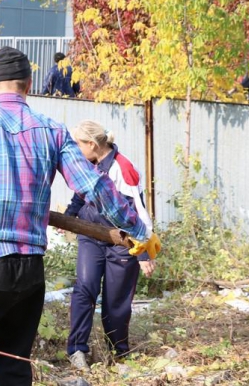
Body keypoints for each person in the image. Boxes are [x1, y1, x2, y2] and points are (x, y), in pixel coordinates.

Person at [0, 47, 158, 386]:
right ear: (29, 84)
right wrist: (138, 230)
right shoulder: (53, 130)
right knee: (13, 367)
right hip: (28, 269)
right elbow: (95, 187)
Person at [64, 120, 156, 372]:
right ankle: (77, 349)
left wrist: (143, 252)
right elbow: (80, 194)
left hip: (121, 243)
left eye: (78, 145)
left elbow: (139, 211)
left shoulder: (123, 168)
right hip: (91, 237)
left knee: (116, 301)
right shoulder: (86, 164)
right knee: (84, 289)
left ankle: (119, 352)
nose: (75, 150)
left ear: (92, 144)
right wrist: (70, 216)